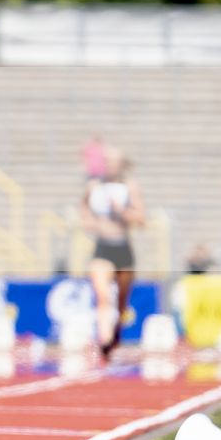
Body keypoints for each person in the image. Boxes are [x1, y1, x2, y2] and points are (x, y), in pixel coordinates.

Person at [81, 147, 144, 356]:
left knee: (121, 301)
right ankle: (105, 339)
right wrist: (90, 222)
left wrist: (121, 211)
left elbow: (141, 219)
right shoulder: (94, 186)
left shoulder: (129, 187)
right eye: (107, 161)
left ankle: (115, 333)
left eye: (114, 162)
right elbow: (83, 207)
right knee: (102, 295)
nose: (110, 165)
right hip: (103, 246)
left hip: (123, 248)